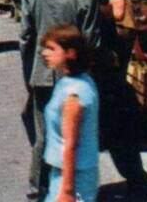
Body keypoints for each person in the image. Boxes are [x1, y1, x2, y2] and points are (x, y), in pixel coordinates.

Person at [19, 0, 99, 201]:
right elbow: (90, 41)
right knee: (72, 135)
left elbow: (25, 36)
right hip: (73, 76)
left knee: (44, 131)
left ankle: (37, 185)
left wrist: (29, 71)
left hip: (41, 71)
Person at [78, 0, 147, 199]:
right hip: (79, 63)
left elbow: (119, 12)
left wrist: (88, 4)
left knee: (118, 124)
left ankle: (137, 180)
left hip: (105, 61)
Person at [40, 25, 101, 202]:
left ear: (71, 53)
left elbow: (71, 144)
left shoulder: (74, 93)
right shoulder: (76, 81)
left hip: (74, 176)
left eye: (52, 49)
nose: (45, 53)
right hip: (67, 171)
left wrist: (67, 191)